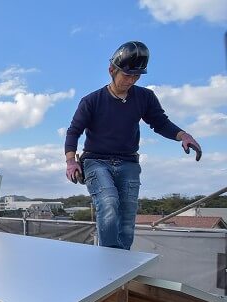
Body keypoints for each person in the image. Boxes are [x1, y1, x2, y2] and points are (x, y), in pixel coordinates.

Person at [64, 41, 202, 250]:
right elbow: (73, 132)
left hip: (128, 162)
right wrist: (71, 162)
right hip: (95, 161)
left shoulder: (145, 97)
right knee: (109, 202)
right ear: (112, 70)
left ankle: (121, 265)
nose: (131, 80)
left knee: (127, 218)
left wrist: (183, 135)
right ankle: (107, 260)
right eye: (127, 75)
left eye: (136, 76)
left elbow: (160, 122)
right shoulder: (91, 101)